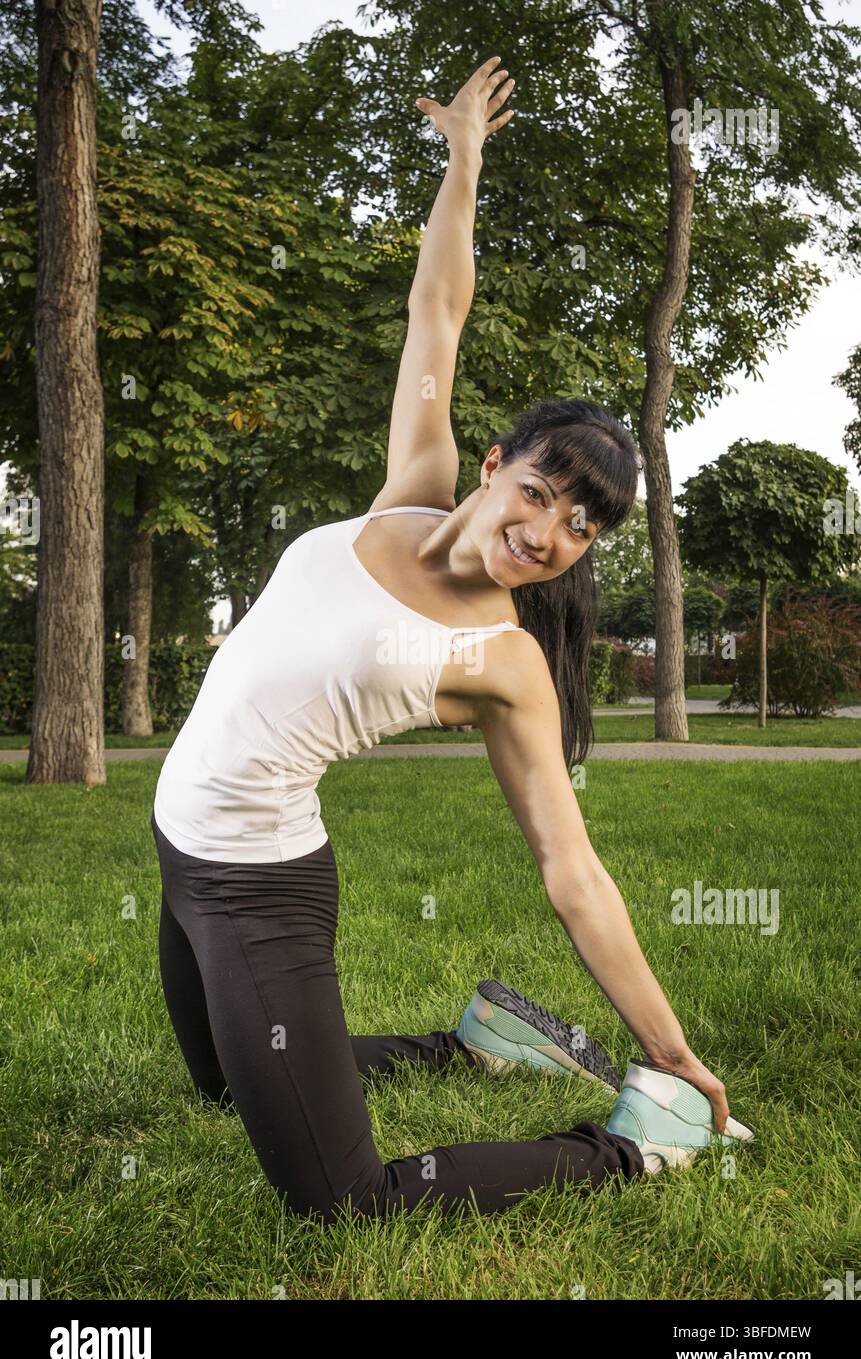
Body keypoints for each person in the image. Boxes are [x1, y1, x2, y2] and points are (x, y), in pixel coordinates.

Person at [151, 56, 751, 1227]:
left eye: (583, 525)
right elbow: (439, 306)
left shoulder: (505, 664)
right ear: (492, 466)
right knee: (220, 1083)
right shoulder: (408, 492)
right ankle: (476, 1039)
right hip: (174, 841)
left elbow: (572, 875)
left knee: (345, 1199)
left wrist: (669, 1048)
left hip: (259, 887)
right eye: (540, 492)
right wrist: (463, 160)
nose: (551, 531)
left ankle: (630, 1148)